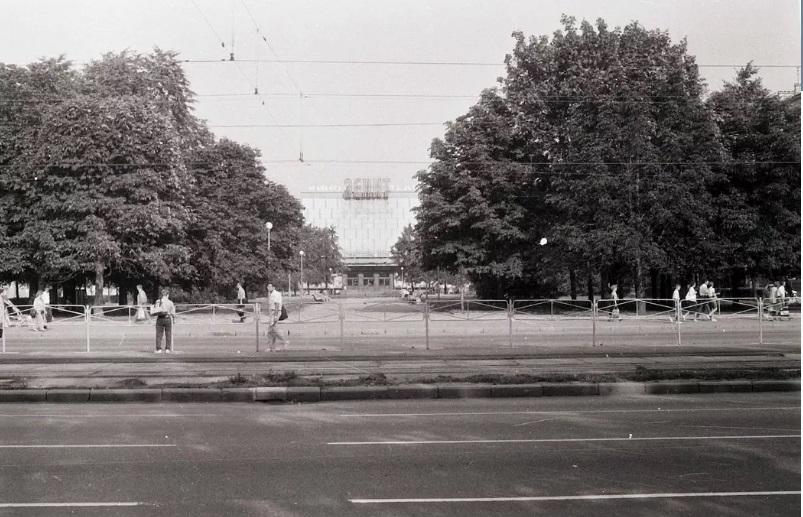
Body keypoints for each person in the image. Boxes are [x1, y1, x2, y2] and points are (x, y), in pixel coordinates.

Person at [151, 288, 176, 353]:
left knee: (159, 334)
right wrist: (173, 320)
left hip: (159, 318)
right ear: (167, 295)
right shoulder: (170, 302)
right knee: (168, 333)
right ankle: (167, 348)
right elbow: (173, 313)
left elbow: (155, 310)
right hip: (168, 318)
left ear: (162, 294)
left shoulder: (158, 301)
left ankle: (158, 349)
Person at [266, 283, 289, 351]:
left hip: (275, 312)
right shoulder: (272, 294)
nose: (269, 288)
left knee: (272, 330)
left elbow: (277, 305)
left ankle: (284, 342)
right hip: (273, 312)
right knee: (271, 330)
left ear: (273, 287)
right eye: (268, 286)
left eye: (270, 286)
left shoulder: (275, 294)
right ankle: (272, 347)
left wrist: (275, 316)